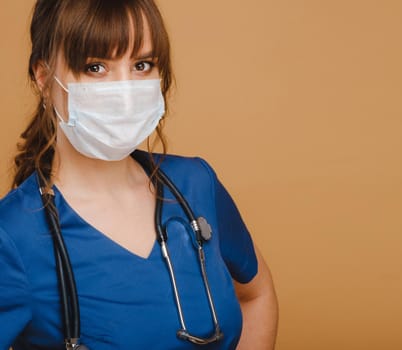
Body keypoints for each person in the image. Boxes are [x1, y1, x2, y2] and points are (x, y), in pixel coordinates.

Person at [0, 0, 278, 349]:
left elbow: (256, 294)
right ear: (44, 78)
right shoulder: (12, 235)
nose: (125, 90)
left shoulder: (195, 185)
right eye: (95, 67)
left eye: (142, 65)